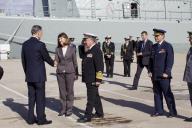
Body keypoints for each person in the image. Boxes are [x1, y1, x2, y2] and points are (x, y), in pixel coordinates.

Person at [21, 25, 55, 125]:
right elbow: (46, 57)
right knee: (40, 99)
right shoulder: (40, 44)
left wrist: (27, 73)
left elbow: (24, 61)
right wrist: (54, 63)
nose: (42, 34)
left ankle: (30, 119)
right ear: (38, 32)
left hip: (30, 77)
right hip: (39, 77)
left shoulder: (25, 44)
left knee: (31, 99)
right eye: (41, 32)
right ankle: (41, 120)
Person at [148, 28, 177, 118]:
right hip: (155, 75)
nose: (156, 37)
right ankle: (159, 110)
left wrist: (167, 72)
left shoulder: (167, 46)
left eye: (157, 36)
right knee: (157, 93)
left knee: (167, 93)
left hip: (164, 75)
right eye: (155, 36)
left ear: (162, 36)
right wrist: (149, 71)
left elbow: (170, 60)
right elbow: (150, 61)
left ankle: (172, 112)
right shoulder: (153, 46)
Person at [78, 33, 104, 123]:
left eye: (86, 40)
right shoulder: (89, 50)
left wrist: (99, 80)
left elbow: (100, 66)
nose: (85, 41)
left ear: (91, 40)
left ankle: (87, 116)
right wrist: (83, 44)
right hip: (88, 78)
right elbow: (81, 54)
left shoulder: (96, 50)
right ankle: (99, 113)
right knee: (95, 96)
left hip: (93, 79)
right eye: (84, 40)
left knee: (90, 98)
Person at [55, 32, 78, 117]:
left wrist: (76, 73)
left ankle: (69, 109)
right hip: (60, 72)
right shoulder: (57, 49)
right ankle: (63, 109)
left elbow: (75, 62)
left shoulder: (72, 49)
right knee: (62, 92)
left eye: (61, 38)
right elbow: (56, 60)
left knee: (70, 91)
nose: (60, 40)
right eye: (59, 38)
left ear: (66, 39)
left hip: (70, 72)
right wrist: (55, 62)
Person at [183, 31, 192, 122]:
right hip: (190, 77)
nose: (189, 39)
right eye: (189, 38)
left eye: (191, 38)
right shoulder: (190, 48)